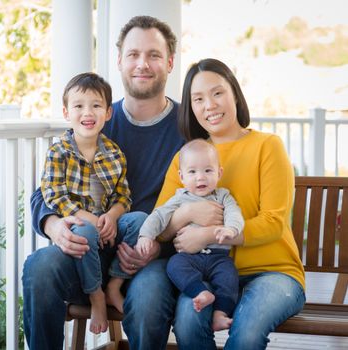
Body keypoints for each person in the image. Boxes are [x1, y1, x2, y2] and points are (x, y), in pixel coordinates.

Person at [23, 15, 184, 349]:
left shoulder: (186, 129)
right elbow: (45, 192)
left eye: (153, 55)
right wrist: (54, 227)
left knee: (150, 298)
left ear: (169, 62)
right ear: (119, 62)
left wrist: (158, 246)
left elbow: (200, 202)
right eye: (133, 54)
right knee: (39, 267)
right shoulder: (94, 117)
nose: (143, 64)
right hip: (87, 246)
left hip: (150, 256)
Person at [157, 58, 305, 350]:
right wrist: (186, 213)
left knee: (247, 335)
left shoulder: (267, 146)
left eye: (217, 93)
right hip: (207, 273)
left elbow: (274, 223)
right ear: (191, 108)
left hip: (273, 273)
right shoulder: (186, 159)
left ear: (234, 94)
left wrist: (210, 234)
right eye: (198, 99)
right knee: (187, 323)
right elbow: (162, 228)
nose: (209, 105)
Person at [40, 72, 144, 333]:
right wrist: (91, 220)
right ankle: (96, 293)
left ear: (108, 113)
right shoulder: (59, 152)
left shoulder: (113, 152)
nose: (88, 112)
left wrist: (112, 216)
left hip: (108, 228)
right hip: (80, 226)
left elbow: (123, 196)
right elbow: (54, 195)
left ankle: (113, 286)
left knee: (140, 220)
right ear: (66, 112)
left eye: (96, 105)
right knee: (85, 232)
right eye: (78, 106)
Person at [136, 138, 244, 332]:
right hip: (188, 257)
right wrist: (146, 236)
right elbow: (159, 216)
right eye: (192, 172)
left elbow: (234, 213)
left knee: (229, 277)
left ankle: (220, 314)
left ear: (219, 173)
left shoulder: (223, 196)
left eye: (207, 171)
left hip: (219, 258)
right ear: (182, 176)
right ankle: (200, 292)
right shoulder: (180, 198)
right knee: (174, 265)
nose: (200, 178)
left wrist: (231, 229)